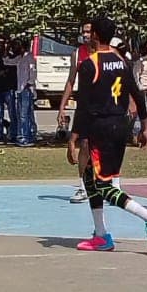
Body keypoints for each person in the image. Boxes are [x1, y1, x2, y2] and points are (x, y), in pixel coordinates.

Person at [68, 14, 147, 253]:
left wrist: (73, 138)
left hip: (101, 127)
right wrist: (144, 127)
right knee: (90, 178)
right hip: (119, 125)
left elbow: (83, 105)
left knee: (103, 186)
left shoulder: (90, 64)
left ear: (94, 35)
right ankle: (101, 234)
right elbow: (138, 95)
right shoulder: (122, 61)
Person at [58, 21, 94, 200]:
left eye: (88, 31)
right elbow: (71, 81)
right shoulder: (78, 53)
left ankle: (111, 184)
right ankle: (83, 186)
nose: (85, 35)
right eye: (83, 32)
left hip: (105, 105)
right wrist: (62, 107)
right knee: (84, 144)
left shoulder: (107, 52)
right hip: (85, 105)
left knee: (105, 146)